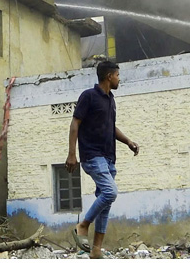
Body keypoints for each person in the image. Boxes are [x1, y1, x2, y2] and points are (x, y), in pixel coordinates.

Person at [66, 60, 139, 258]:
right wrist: (72, 153)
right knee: (110, 192)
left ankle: (96, 251)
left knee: (105, 203)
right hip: (92, 155)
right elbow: (75, 124)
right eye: (117, 75)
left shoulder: (110, 100)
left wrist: (128, 141)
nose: (119, 79)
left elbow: (111, 127)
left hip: (108, 157)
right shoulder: (88, 96)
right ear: (109, 76)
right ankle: (83, 225)